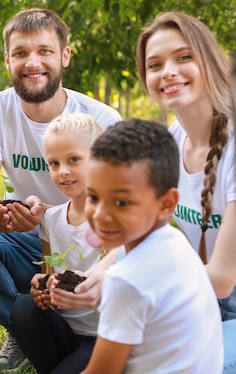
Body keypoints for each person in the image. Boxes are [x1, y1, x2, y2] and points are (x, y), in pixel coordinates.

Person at [0, 7, 121, 371]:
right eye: (20, 53)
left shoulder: (102, 120)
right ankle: (21, 331)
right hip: (35, 234)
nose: (32, 62)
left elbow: (126, 217)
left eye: (44, 51)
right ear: (7, 59)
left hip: (95, 244)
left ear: (64, 55)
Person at [80, 118, 223, 374]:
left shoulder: (126, 282)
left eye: (121, 202)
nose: (100, 214)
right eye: (93, 197)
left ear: (167, 204)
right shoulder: (175, 242)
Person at [136, 11, 236, 374]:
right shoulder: (171, 144)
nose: (169, 72)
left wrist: (129, 286)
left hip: (217, 290)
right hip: (205, 295)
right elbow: (143, 233)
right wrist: (91, 279)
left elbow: (224, 278)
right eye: (155, 64)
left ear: (208, 60)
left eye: (183, 57)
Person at [11, 113, 104, 374]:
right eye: (53, 163)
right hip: (65, 331)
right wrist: (41, 288)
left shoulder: (113, 217)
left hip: (105, 338)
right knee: (24, 307)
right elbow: (49, 274)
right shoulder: (51, 219)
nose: (62, 171)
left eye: (73, 159)